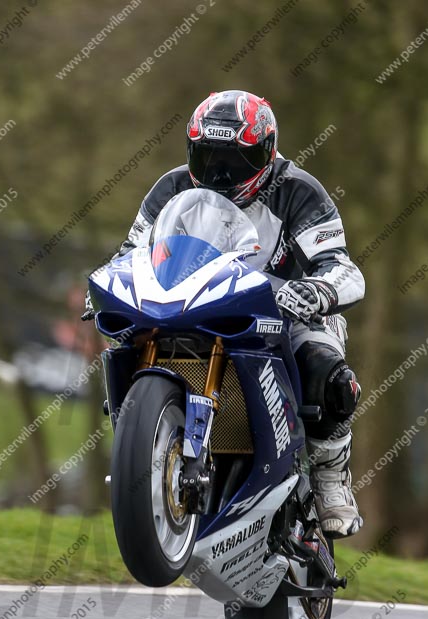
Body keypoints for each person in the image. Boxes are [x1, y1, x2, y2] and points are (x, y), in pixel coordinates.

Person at [86, 89, 365, 537]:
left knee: (327, 372)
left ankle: (332, 478)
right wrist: (105, 287)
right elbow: (131, 251)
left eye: (234, 162)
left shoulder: (298, 191)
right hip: (191, 300)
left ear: (266, 154)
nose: (219, 173)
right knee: (126, 341)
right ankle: (144, 456)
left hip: (285, 310)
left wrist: (315, 291)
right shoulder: (172, 187)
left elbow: (344, 268)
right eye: (208, 157)